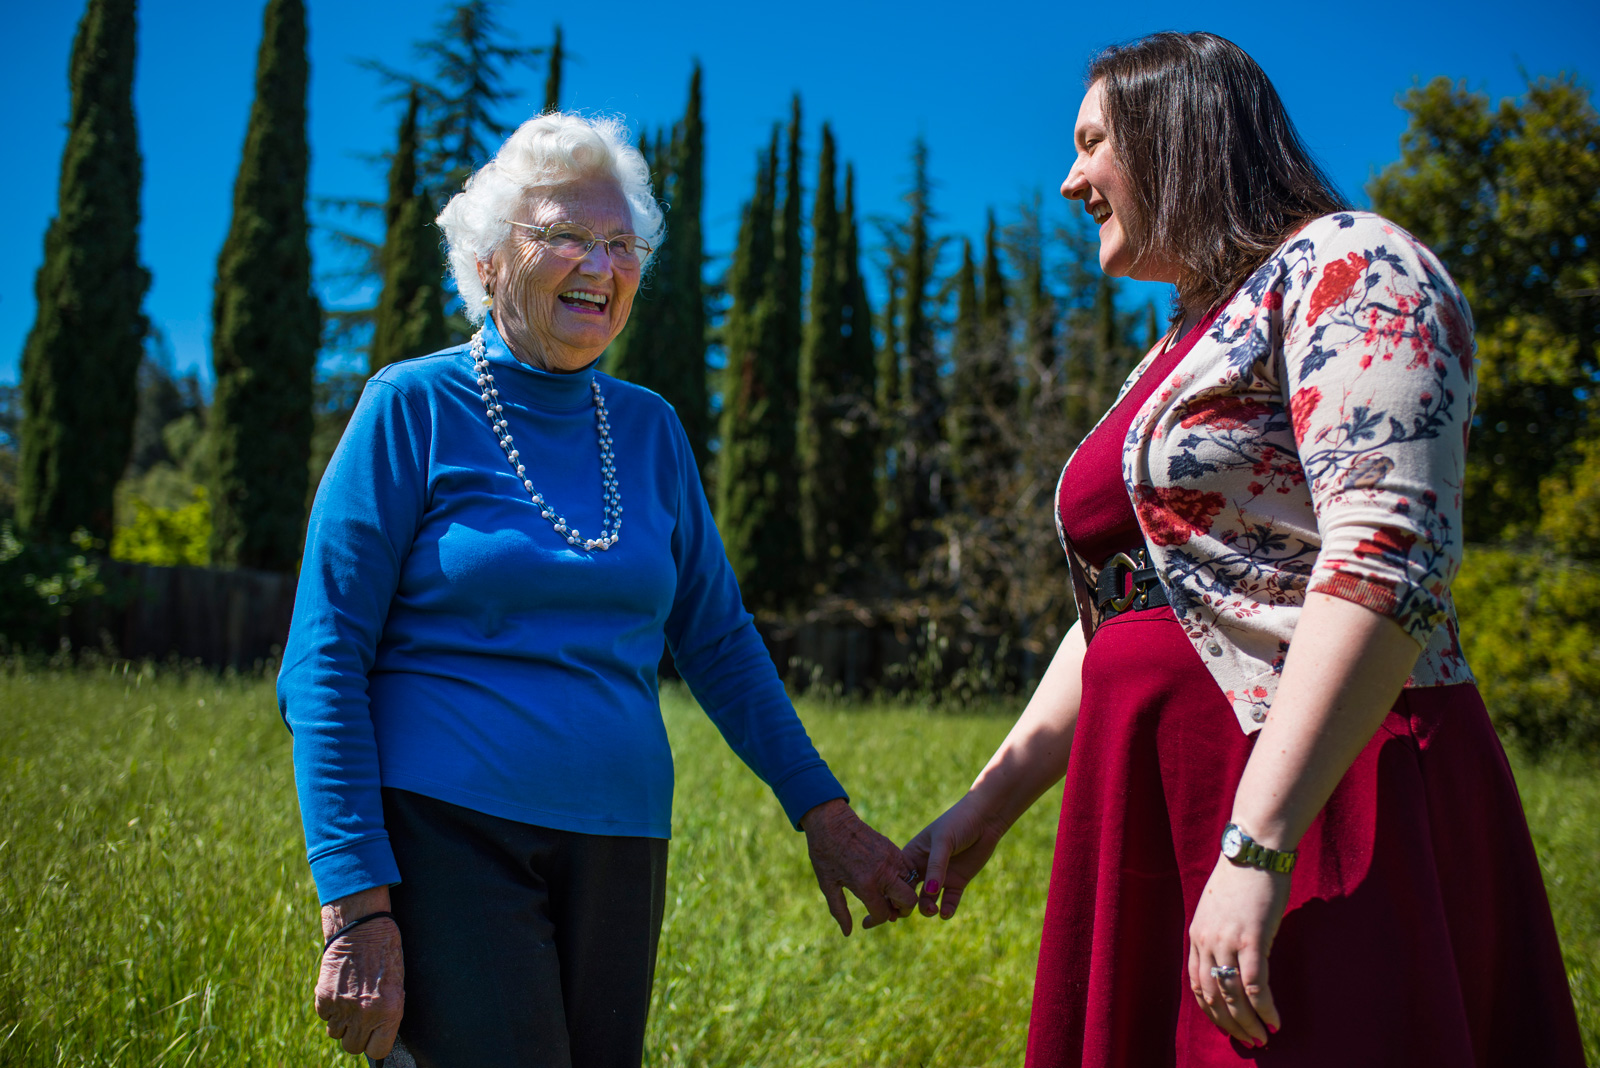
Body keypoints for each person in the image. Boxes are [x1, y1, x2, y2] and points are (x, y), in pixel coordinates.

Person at [904, 31, 1585, 1067]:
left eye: (1091, 143)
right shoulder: (1181, 337)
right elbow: (1136, 605)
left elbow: (1386, 558)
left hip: (1321, 787)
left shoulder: (1351, 263)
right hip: (1156, 796)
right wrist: (986, 808)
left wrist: (1259, 843)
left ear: (1175, 134)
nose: (1068, 179)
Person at [278, 112, 918, 1068]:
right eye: (565, 234)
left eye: (622, 243)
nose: (600, 263)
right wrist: (356, 904)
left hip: (622, 843)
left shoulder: (650, 430)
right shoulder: (409, 407)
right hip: (446, 831)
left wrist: (823, 813)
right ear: (491, 260)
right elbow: (323, 660)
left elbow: (721, 641)